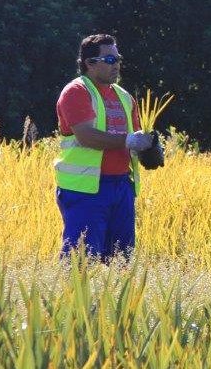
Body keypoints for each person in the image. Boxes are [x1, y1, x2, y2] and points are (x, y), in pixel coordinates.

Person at [54, 34, 155, 261]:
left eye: (118, 59)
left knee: (120, 261)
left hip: (121, 187)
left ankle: (114, 298)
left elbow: (135, 138)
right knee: (81, 261)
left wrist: (149, 148)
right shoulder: (76, 92)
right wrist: (128, 140)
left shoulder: (125, 97)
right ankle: (74, 298)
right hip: (86, 189)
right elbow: (87, 136)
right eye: (109, 60)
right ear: (90, 63)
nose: (117, 64)